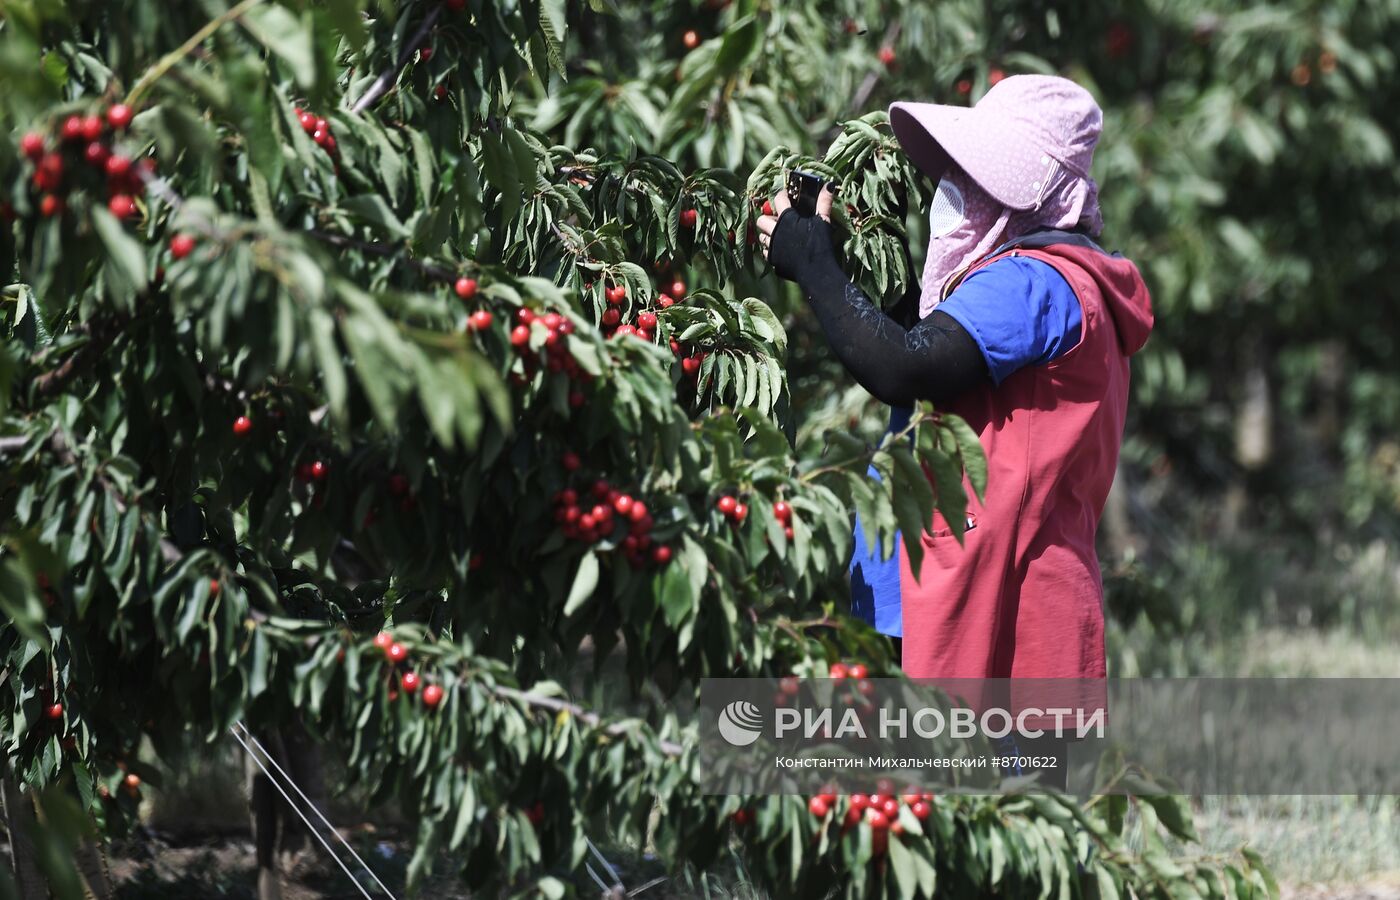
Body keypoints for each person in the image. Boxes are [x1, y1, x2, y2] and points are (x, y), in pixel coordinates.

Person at [755, 75, 1153, 693]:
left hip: (994, 613)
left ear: (1034, 197)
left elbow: (903, 367)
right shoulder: (1053, 282)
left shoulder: (1033, 283)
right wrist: (840, 263)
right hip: (976, 597)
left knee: (972, 785)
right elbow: (924, 356)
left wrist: (813, 265)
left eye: (980, 179)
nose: (959, 192)